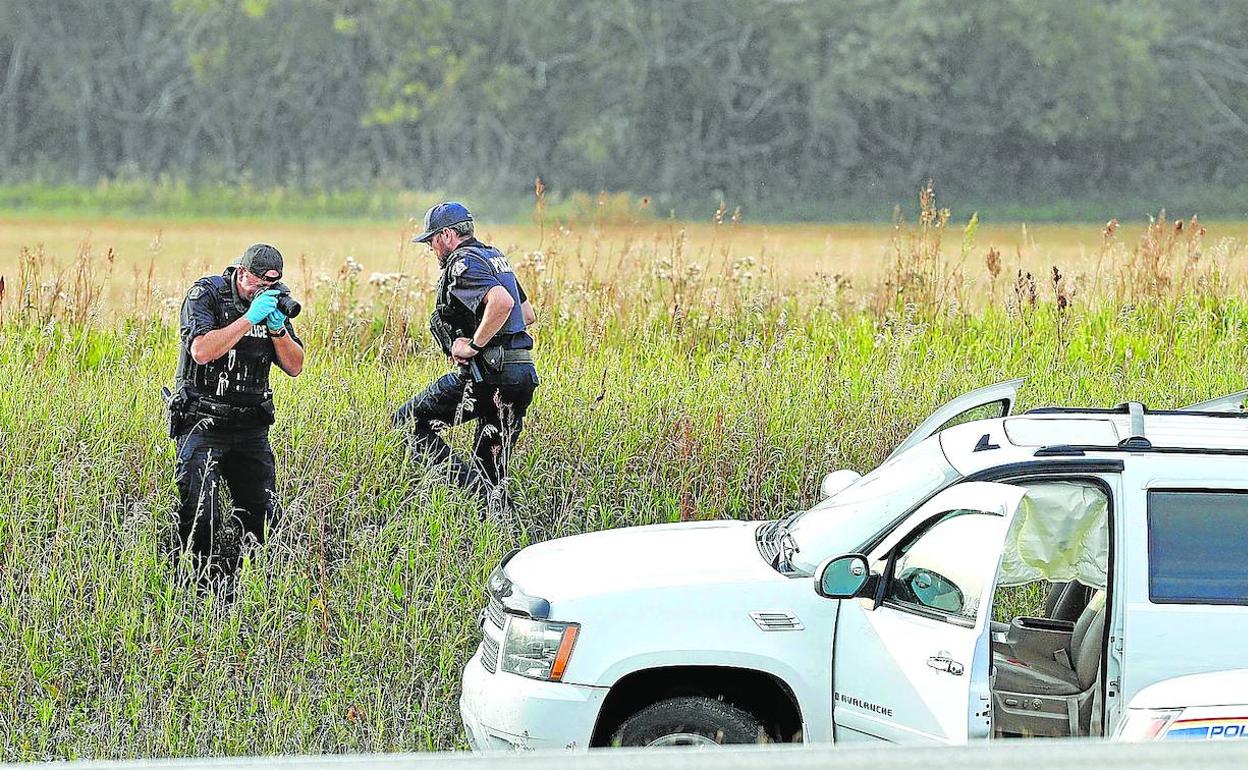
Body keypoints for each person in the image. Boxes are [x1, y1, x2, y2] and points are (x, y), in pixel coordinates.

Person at [167, 243, 305, 585]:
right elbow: (201, 351)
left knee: (262, 513)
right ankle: (196, 590)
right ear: (242, 273)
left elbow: (295, 365)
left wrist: (276, 329)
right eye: (259, 283)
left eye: (272, 285)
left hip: (250, 425)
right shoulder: (207, 295)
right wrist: (248, 319)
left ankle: (254, 588)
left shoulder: (275, 303)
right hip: (203, 421)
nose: (265, 291)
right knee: (200, 514)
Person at [393, 202, 538, 509]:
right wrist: (490, 331)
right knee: (491, 472)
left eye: (432, 240)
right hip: (521, 374)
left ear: (446, 235)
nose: (432, 249)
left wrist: (473, 344)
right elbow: (527, 314)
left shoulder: (462, 262)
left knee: (405, 422)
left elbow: (501, 303)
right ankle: (498, 520)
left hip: (489, 375)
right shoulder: (494, 257)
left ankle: (476, 495)